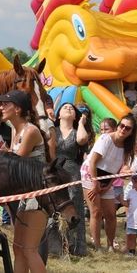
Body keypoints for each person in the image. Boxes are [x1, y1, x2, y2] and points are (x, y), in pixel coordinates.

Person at [0, 90, 55, 273]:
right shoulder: (15, 130)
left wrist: (3, 155)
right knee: (18, 248)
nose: (1, 107)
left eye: (5, 104)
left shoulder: (29, 131)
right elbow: (13, 156)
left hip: (38, 196)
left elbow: (16, 163)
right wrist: (5, 151)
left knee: (29, 249)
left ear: (17, 109)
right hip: (24, 195)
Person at [81, 114, 137, 252]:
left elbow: (118, 169)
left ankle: (110, 245)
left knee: (111, 214)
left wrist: (109, 184)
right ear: (118, 126)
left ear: (131, 132)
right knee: (96, 211)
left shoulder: (127, 147)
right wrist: (95, 184)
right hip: (91, 173)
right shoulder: (106, 139)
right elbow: (93, 162)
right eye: (122, 125)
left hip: (108, 177)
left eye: (128, 128)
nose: (123, 129)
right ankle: (97, 246)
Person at [47, 103, 89, 257]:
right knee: (55, 206)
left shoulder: (78, 131)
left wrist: (81, 123)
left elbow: (82, 139)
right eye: (65, 107)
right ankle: (55, 246)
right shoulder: (53, 131)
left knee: (74, 207)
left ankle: (76, 247)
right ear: (58, 115)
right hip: (55, 172)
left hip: (72, 172)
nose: (69, 108)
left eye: (71, 108)